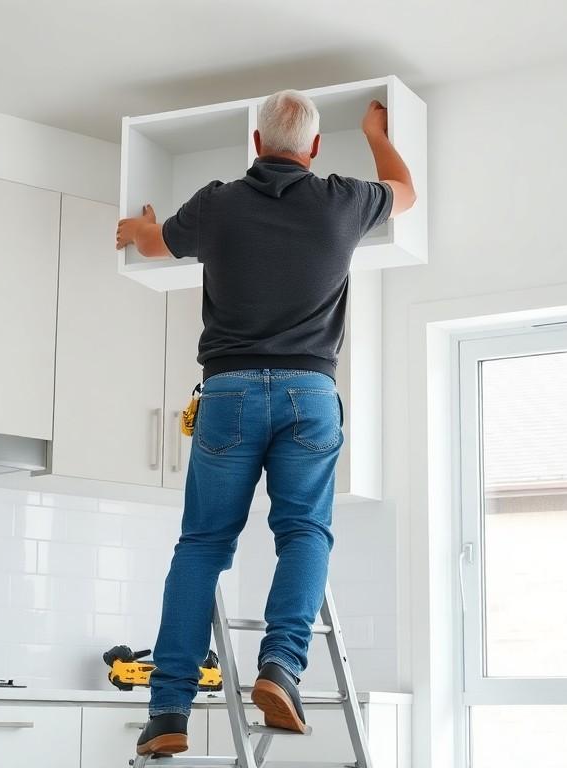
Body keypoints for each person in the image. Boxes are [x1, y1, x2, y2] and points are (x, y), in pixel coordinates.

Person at [115, 88, 416, 757]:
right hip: (310, 393)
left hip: (229, 395)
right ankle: (280, 667)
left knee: (202, 547)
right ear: (312, 148)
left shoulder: (217, 203)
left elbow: (160, 244)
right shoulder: (344, 199)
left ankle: (167, 712)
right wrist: (372, 131)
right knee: (304, 530)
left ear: (256, 144)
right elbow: (405, 190)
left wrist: (138, 231)